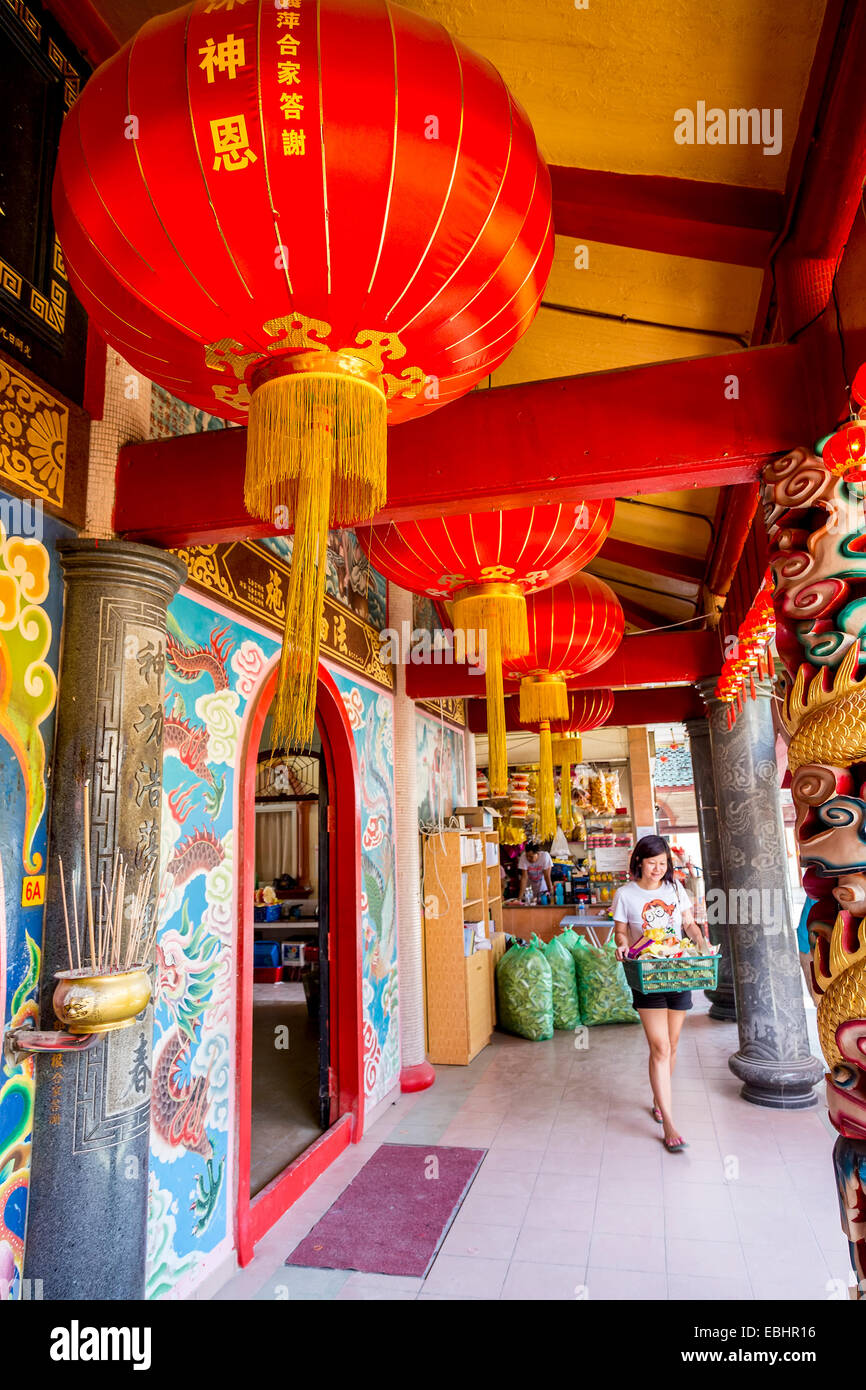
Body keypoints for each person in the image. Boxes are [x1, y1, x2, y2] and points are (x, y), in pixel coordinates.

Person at [612, 835, 707, 1153]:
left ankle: (658, 1097)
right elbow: (622, 931)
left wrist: (701, 943)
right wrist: (622, 944)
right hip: (648, 974)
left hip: (678, 971)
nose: (658, 868)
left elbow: (689, 925)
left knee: (674, 1044)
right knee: (660, 1047)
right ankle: (668, 1121)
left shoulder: (676, 889)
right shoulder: (625, 894)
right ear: (639, 861)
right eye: (652, 862)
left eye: (663, 863)